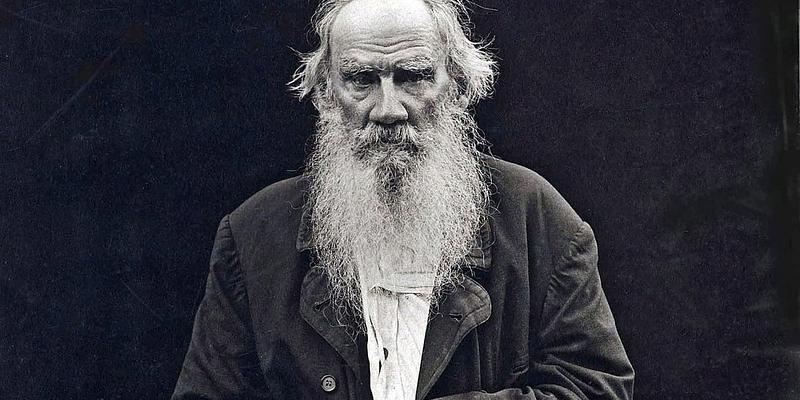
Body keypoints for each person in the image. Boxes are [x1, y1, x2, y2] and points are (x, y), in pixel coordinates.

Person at [172, 0, 634, 398]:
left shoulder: (539, 220)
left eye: (412, 77)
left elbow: (597, 388)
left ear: (456, 85)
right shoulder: (253, 236)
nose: (388, 110)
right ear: (326, 93)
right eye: (361, 79)